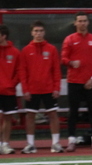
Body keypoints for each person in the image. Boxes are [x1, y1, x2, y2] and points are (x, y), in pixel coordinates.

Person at [61, 11, 92, 151]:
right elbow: (63, 58)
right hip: (74, 82)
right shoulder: (69, 39)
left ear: (88, 22)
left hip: (90, 82)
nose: (82, 23)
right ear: (75, 23)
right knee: (73, 112)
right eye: (79, 21)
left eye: (84, 21)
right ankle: (71, 141)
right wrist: (71, 62)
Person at [19, 21, 62, 154]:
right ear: (32, 33)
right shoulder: (26, 50)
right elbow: (23, 71)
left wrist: (56, 87)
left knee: (53, 115)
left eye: (41, 31)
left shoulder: (51, 49)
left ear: (44, 32)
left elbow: (56, 70)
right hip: (32, 90)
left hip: (49, 88)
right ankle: (30, 144)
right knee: (30, 116)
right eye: (36, 31)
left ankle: (55, 143)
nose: (38, 33)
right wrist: (25, 89)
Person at [0, 25, 21, 155]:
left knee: (8, 118)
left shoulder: (15, 52)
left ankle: (5, 144)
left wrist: (11, 84)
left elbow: (19, 71)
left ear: (4, 36)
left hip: (9, 91)